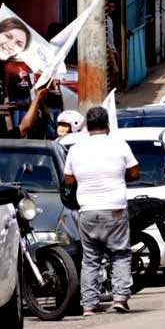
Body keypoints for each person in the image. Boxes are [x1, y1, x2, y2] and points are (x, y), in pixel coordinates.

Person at [63, 107, 140, 315]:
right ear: (107, 125)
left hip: (87, 210)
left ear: (87, 127)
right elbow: (134, 173)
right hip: (115, 208)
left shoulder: (76, 149)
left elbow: (68, 180)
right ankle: (120, 298)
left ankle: (89, 304)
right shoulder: (119, 145)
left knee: (90, 258)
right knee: (120, 254)